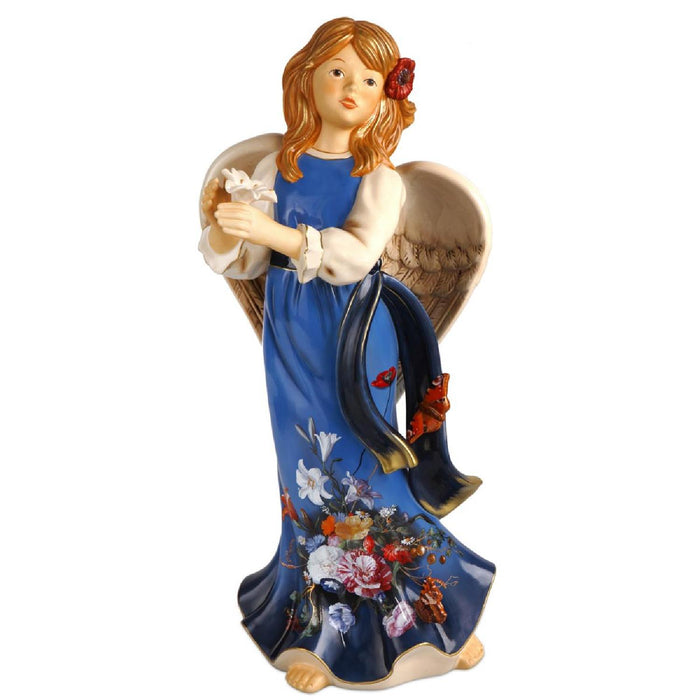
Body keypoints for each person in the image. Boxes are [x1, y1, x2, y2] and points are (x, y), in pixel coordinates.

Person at [199, 17, 495, 692]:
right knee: (303, 467)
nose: (352, 87)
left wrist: (272, 229)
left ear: (385, 95)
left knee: (369, 467)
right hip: (291, 333)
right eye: (337, 71)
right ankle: (316, 627)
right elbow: (246, 259)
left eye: (369, 78)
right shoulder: (275, 166)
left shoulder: (380, 179)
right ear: (306, 77)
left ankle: (438, 619)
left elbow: (356, 255)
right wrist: (226, 229)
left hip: (355, 333)